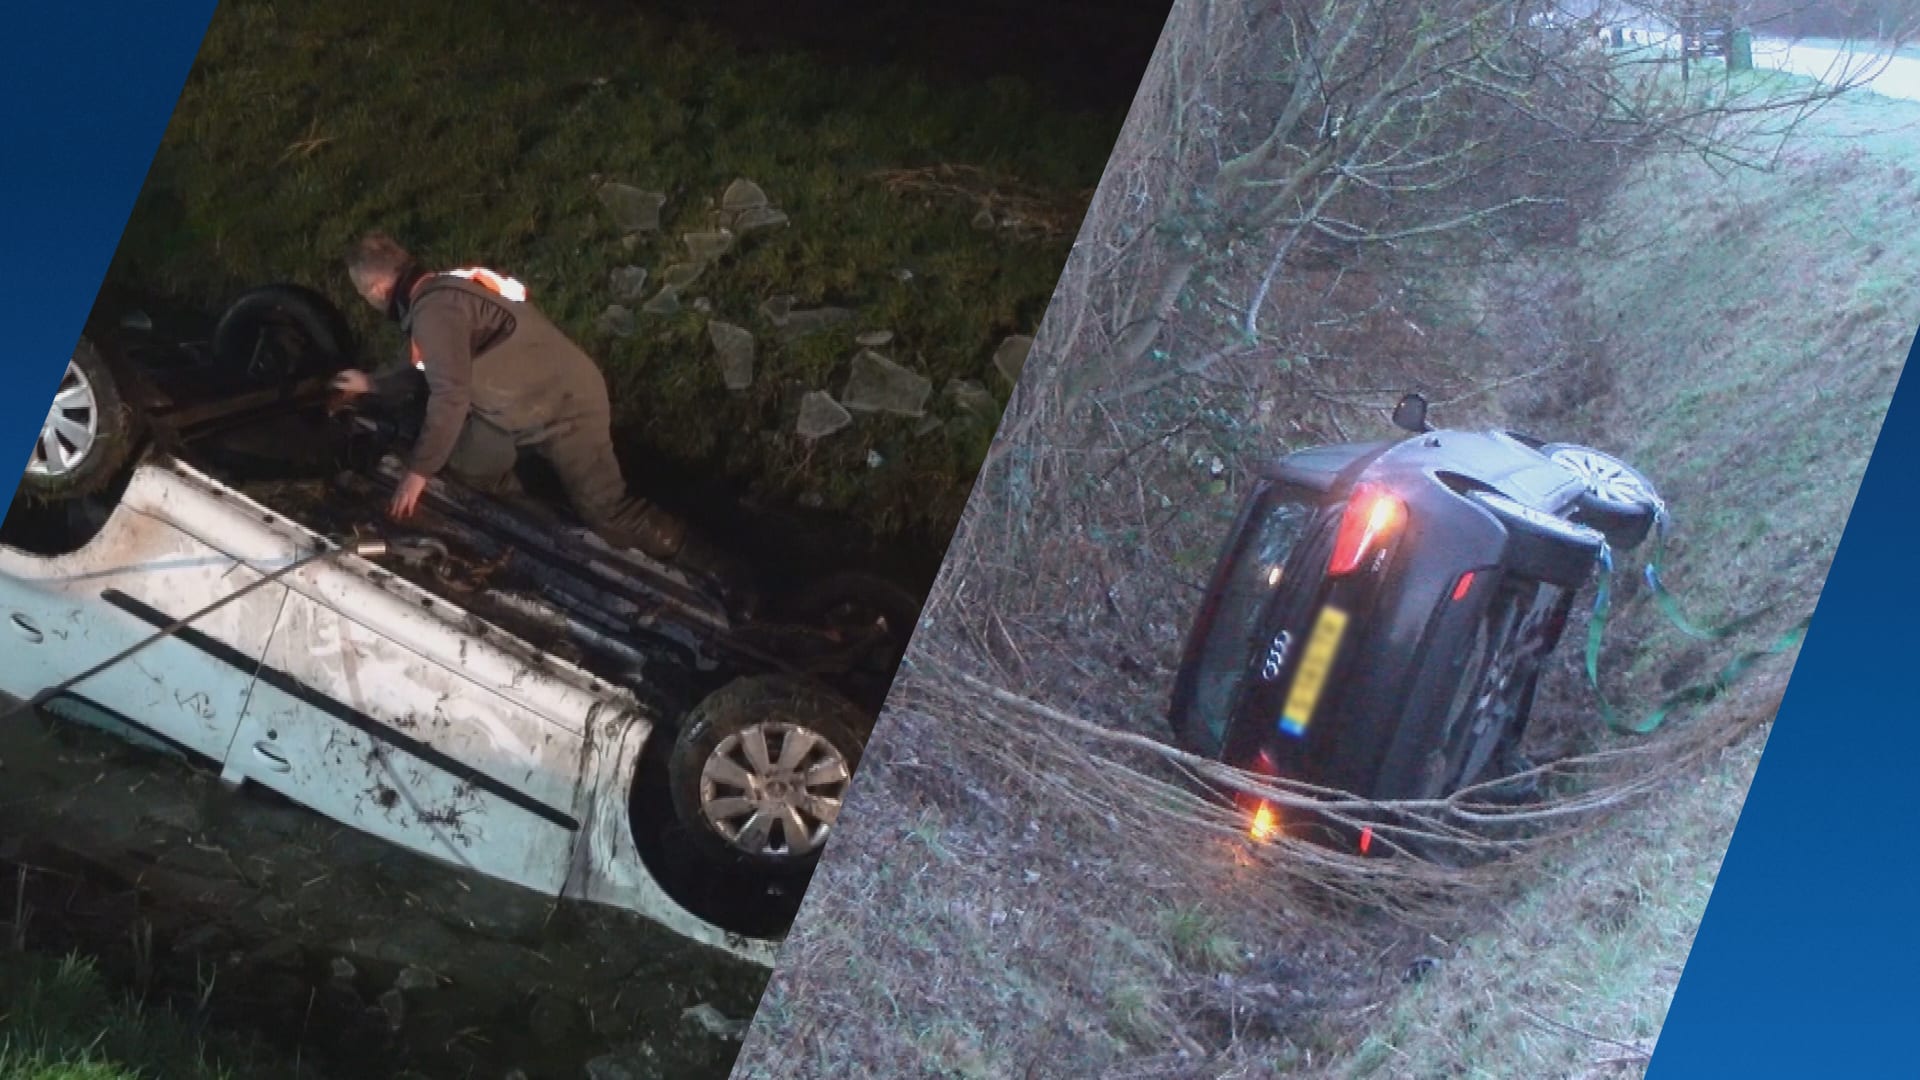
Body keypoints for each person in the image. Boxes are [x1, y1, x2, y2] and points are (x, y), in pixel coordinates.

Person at [329, 232, 693, 562]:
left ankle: (716, 567)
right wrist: (373, 384)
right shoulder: (442, 291)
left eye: (365, 296)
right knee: (469, 464)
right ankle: (542, 484)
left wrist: (417, 472)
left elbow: (450, 396)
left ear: (377, 289)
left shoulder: (432, 315)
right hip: (516, 403)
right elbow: (434, 365)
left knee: (608, 514)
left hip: (564, 408)